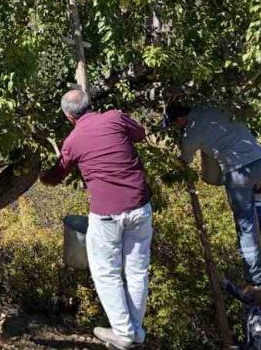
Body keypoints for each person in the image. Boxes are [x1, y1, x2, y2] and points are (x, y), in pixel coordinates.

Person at [41, 88, 152, 350]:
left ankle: (123, 333)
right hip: (140, 205)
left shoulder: (72, 141)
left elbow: (57, 175)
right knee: (137, 270)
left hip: (107, 214)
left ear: (69, 116)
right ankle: (135, 331)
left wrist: (42, 177)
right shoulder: (115, 118)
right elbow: (141, 134)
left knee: (106, 272)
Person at [164, 102, 261, 332]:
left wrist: (175, 164)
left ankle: (255, 281)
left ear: (180, 120)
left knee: (244, 226)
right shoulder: (211, 107)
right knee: (255, 192)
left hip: (239, 171)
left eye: (175, 124)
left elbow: (184, 160)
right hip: (260, 161)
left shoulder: (192, 131)